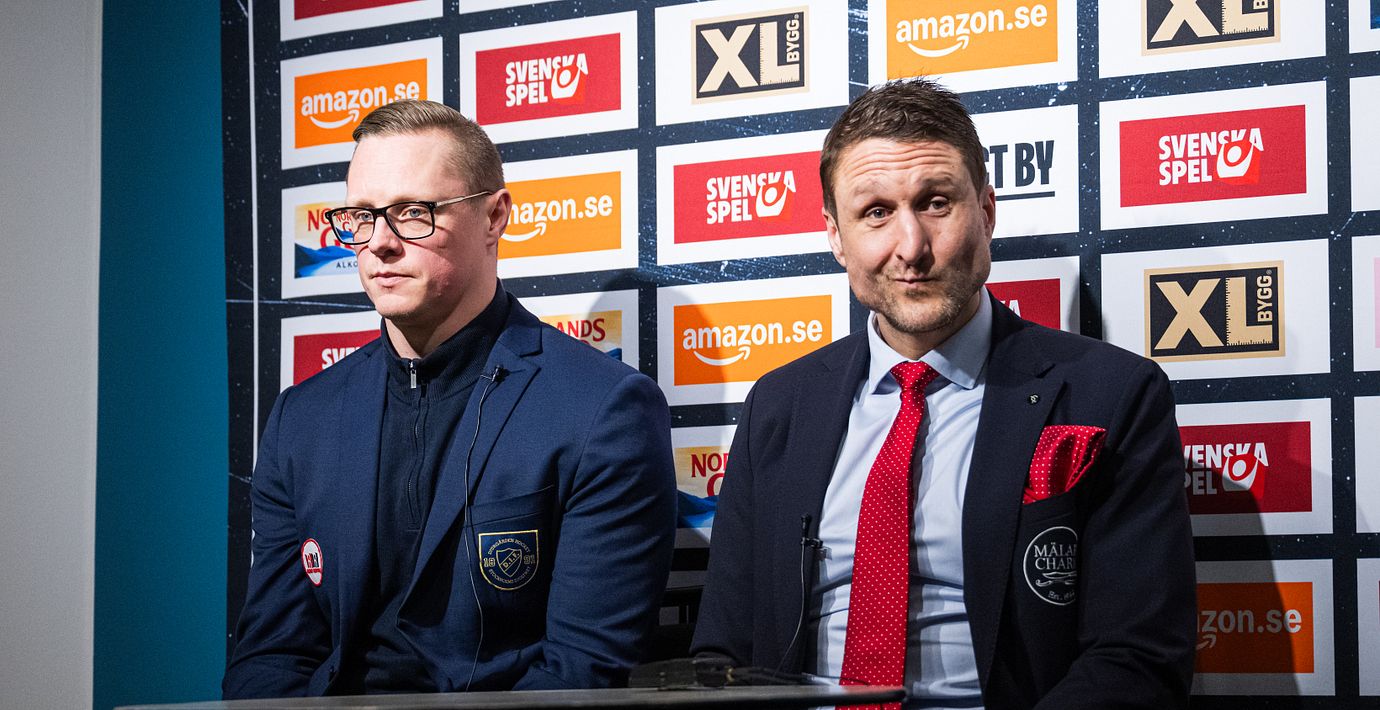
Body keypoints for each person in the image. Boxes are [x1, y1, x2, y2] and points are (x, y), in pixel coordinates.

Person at [690, 78, 1196, 709]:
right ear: (836, 236)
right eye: (876, 212)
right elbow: (724, 650)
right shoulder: (779, 405)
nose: (911, 248)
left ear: (986, 212)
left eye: (935, 203)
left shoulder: (1113, 395)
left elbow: (1138, 659)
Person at [224, 100, 676, 698]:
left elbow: (580, 675)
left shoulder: (602, 411)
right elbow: (270, 659)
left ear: (494, 217)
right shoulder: (302, 419)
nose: (380, 243)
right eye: (361, 216)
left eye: (413, 213)